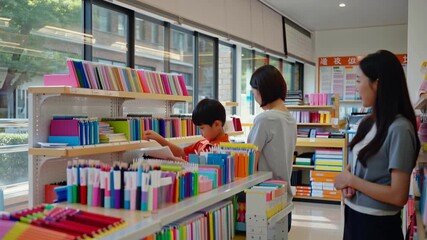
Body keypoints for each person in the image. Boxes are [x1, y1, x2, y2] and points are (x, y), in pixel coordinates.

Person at [334, 50, 420, 240]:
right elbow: (358, 165)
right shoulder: (367, 123)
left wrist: (351, 180)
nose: (356, 88)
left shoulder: (400, 129)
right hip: (353, 216)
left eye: (358, 80)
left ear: (377, 84)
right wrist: (349, 179)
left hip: (377, 226)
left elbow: (398, 195)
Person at [246, 64, 297, 231]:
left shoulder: (266, 119)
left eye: (254, 92)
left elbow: (250, 161)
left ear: (262, 91)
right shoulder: (289, 119)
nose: (254, 97)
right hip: (283, 198)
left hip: (264, 199)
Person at [143, 98, 229, 161]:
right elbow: (180, 152)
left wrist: (184, 164)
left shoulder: (225, 150)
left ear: (217, 124)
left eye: (202, 128)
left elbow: (210, 172)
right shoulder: (202, 143)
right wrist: (158, 138)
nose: (201, 133)